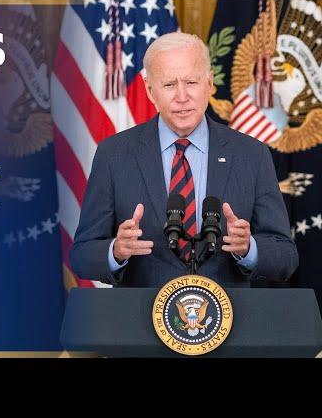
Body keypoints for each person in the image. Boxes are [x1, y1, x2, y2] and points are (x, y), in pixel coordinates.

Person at [70, 32, 298, 288]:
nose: (182, 96)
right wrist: (115, 251)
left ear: (209, 84)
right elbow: (82, 256)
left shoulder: (251, 155)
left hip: (229, 321)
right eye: (169, 84)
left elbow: (285, 257)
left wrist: (249, 248)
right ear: (150, 90)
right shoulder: (114, 154)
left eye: (191, 82)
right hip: (139, 321)